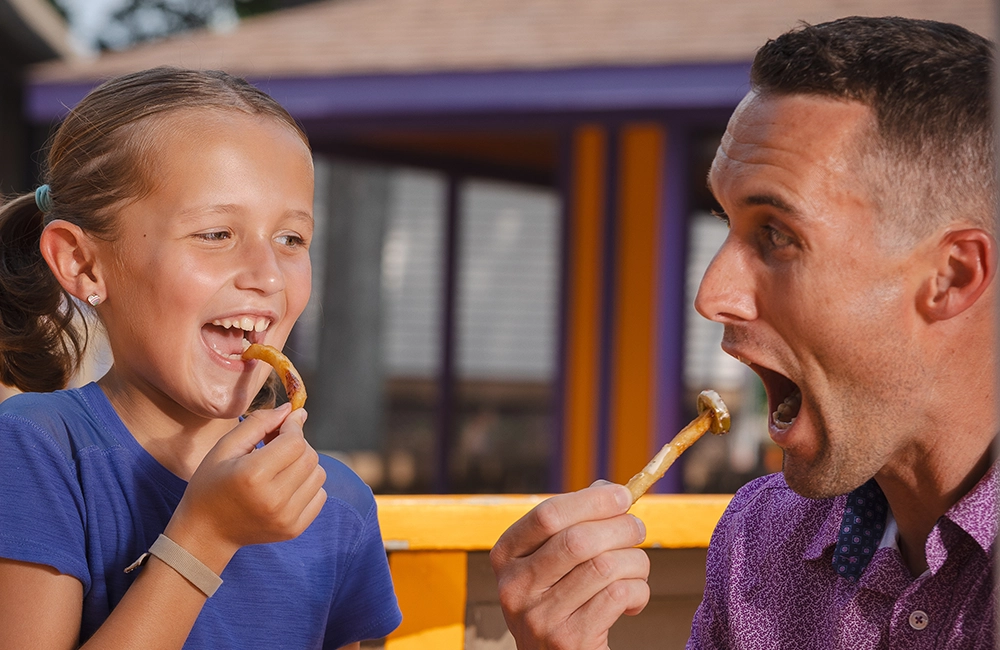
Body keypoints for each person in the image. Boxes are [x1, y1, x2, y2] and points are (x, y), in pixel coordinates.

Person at [490, 16, 996, 650]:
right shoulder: (761, 539)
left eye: (776, 236)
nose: (710, 296)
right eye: (723, 222)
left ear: (952, 276)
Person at [0, 67, 401, 649]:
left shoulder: (334, 503)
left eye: (291, 239)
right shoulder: (36, 452)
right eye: (216, 234)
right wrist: (204, 537)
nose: (267, 276)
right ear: (82, 264)